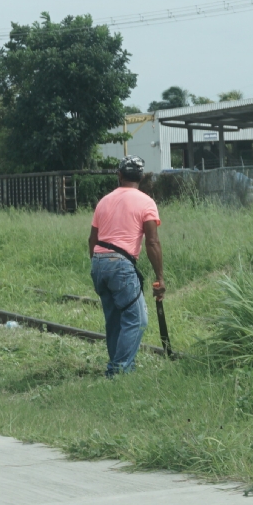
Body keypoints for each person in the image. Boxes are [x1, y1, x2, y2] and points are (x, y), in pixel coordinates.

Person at [87, 156, 164, 375]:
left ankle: (119, 366)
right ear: (141, 177)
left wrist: (97, 266)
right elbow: (152, 241)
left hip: (99, 262)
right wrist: (160, 277)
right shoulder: (146, 202)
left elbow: (92, 240)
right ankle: (119, 371)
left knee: (114, 320)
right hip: (120, 264)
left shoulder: (104, 201)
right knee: (137, 319)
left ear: (119, 176)